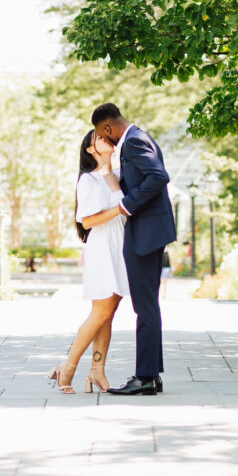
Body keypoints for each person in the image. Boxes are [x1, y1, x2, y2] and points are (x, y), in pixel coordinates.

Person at [92, 102, 176, 396]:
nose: (103, 140)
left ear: (106, 128)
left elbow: (158, 176)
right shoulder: (138, 138)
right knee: (148, 305)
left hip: (145, 233)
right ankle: (151, 375)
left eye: (101, 135)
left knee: (144, 307)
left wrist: (127, 205)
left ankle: (145, 377)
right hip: (149, 231)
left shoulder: (134, 141)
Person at [48, 129, 129, 394]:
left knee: (108, 315)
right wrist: (120, 208)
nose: (107, 139)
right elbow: (88, 220)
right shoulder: (88, 180)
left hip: (119, 245)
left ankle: (97, 371)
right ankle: (67, 366)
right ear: (90, 149)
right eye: (99, 138)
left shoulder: (112, 176)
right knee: (100, 313)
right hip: (103, 246)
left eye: (108, 136)